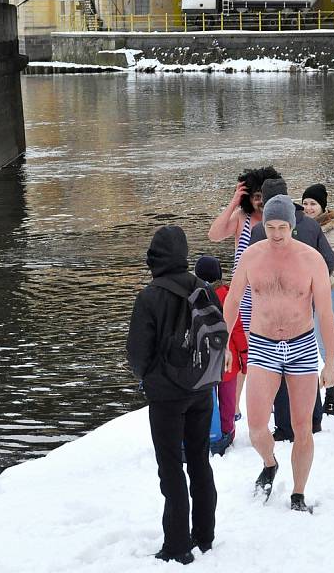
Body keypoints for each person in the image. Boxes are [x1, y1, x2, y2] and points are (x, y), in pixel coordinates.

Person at [223, 195, 334, 512]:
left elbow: (325, 314)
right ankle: (269, 462)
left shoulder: (311, 259)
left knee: (303, 428)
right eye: (271, 227)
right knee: (258, 426)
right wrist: (223, 345)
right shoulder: (251, 256)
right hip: (262, 345)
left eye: (283, 227)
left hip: (301, 345)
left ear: (293, 226)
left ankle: (298, 493)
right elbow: (232, 301)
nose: (276, 234)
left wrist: (330, 361)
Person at [126, 226, 217, 565]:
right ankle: (204, 535)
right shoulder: (205, 289)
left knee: (171, 468)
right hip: (203, 389)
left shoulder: (149, 297)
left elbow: (137, 352)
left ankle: (177, 545)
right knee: (199, 462)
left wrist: (148, 378)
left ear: (154, 258)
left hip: (166, 396)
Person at [248, 177, 334, 437]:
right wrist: (311, 287)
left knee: (278, 377)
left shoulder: (259, 231)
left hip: (274, 316)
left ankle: (285, 427)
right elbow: (329, 261)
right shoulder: (310, 224)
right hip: (305, 307)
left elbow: (253, 273)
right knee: (305, 372)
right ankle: (314, 419)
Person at [208, 166, 281, 416]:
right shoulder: (243, 218)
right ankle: (235, 408)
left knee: (267, 356)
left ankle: (270, 402)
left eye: (263, 195)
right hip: (243, 300)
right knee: (241, 357)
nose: (260, 201)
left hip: (271, 300)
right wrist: (233, 202)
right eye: (255, 196)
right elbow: (214, 234)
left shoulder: (278, 222)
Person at [194, 255, 247, 455]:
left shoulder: (193, 295)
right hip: (228, 359)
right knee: (228, 398)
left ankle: (208, 433)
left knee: (207, 399)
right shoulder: (228, 294)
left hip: (204, 358)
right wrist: (244, 355)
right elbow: (238, 329)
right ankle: (228, 432)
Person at [302, 184, 334, 416]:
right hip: (300, 297)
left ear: (322, 207)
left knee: (325, 345)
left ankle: (331, 399)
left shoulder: (333, 230)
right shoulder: (297, 227)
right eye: (306, 203)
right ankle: (309, 396)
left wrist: (315, 286)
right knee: (303, 347)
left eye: (313, 204)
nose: (309, 208)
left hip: (326, 294)